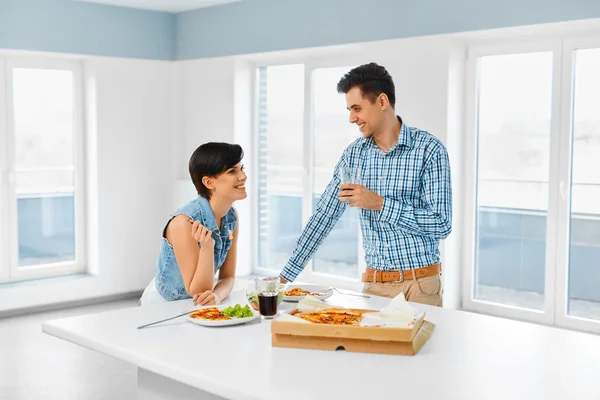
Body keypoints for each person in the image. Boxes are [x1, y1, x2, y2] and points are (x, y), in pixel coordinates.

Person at [279, 63, 452, 306]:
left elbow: (441, 223)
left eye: (357, 108)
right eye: (349, 110)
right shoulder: (354, 155)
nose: (352, 118)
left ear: (382, 102)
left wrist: (380, 204)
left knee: (419, 346)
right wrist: (283, 279)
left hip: (420, 286)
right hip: (374, 287)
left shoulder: (429, 150)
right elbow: (325, 216)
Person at [139, 142, 247, 306]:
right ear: (209, 182)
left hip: (199, 304)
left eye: (242, 168)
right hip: (164, 305)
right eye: (233, 171)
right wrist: (207, 247)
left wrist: (217, 296)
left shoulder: (231, 217)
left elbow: (228, 277)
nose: (243, 176)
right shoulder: (183, 223)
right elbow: (198, 290)